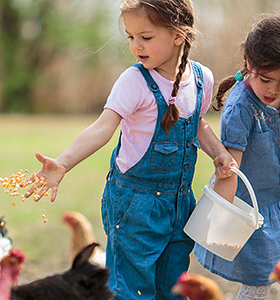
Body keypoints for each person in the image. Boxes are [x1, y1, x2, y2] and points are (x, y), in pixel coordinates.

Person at [25, 0, 235, 298]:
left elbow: (197, 125)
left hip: (179, 204)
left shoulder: (202, 79)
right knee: (130, 289)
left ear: (178, 34)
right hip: (135, 204)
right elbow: (102, 128)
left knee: (173, 287)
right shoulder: (133, 81)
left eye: (146, 37)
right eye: (130, 37)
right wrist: (62, 163)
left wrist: (218, 153)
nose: (136, 46)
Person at [196, 10, 280, 300]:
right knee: (259, 283)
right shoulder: (241, 108)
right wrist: (219, 217)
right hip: (254, 212)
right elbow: (231, 169)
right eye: (266, 79)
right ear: (250, 63)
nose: (273, 90)